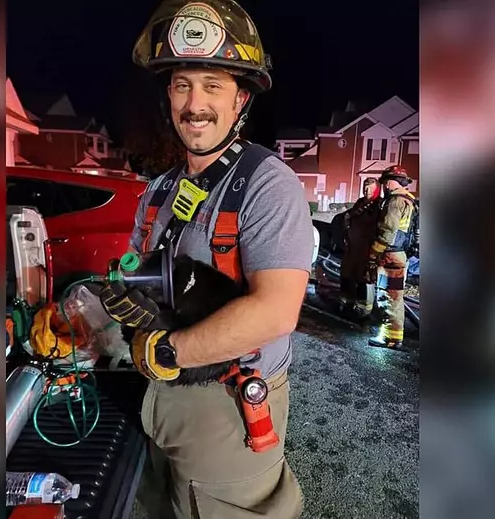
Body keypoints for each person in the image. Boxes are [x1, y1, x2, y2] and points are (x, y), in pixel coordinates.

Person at [99, 1, 311, 517]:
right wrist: (85, 318)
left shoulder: (268, 184)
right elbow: (132, 275)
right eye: (182, 85)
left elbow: (276, 311)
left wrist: (168, 352)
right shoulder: (158, 191)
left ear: (240, 99)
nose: (195, 104)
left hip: (228, 411)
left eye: (212, 85)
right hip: (156, 398)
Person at [367, 166, 416, 348]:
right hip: (399, 256)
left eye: (384, 183)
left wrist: (374, 252)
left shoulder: (395, 201)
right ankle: (393, 335)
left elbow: (388, 231)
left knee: (388, 296)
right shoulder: (409, 201)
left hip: (390, 258)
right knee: (394, 296)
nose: (384, 187)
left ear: (388, 182)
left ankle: (391, 338)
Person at [339, 177, 382, 317]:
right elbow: (350, 218)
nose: (366, 190)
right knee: (347, 274)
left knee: (365, 278)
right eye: (365, 187)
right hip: (352, 248)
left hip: (367, 250)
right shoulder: (359, 203)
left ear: (377, 189)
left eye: (370, 188)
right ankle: (346, 303)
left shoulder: (379, 205)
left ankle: (364, 310)